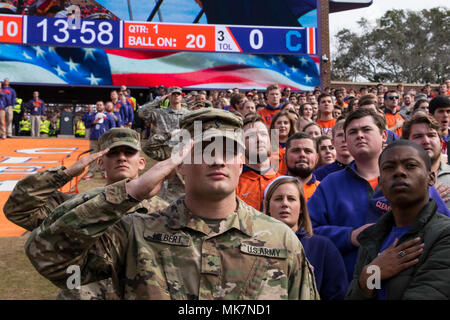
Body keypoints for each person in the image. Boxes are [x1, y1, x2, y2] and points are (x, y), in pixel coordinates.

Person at [24, 108, 320, 300]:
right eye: (204, 149)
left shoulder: (281, 239)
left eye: (229, 150)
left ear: (241, 163)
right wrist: (132, 191)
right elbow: (47, 254)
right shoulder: (135, 234)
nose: (218, 159)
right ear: (179, 165)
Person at [5, 127, 169, 299]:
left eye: (129, 153)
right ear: (100, 163)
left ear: (141, 163)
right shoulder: (73, 207)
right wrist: (65, 174)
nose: (121, 158)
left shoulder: (163, 213)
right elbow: (18, 209)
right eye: (113, 153)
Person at [307, 109, 450, 283]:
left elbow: (444, 233)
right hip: (350, 286)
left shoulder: (414, 180)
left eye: (366, 130)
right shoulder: (330, 184)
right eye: (352, 132)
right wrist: (349, 236)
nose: (359, 135)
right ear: (345, 140)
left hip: (413, 283)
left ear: (383, 136)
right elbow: (307, 231)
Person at [346, 140, 450, 300]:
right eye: (389, 167)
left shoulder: (444, 234)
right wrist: (371, 275)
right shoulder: (372, 237)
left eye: (410, 166)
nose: (399, 172)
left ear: (431, 177)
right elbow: (366, 292)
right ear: (380, 182)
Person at [263, 176, 348, 300]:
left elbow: (337, 294)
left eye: (291, 199)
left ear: (302, 207)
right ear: (268, 206)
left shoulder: (323, 247)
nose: (285, 204)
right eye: (278, 199)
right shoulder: (253, 246)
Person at [402, 112, 450, 208]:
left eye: (431, 135)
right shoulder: (396, 178)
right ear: (406, 143)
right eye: (418, 136)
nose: (426, 141)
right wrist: (421, 202)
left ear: (441, 143)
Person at [237, 114, 281, 211]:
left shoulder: (283, 182)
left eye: (263, 134)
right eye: (250, 136)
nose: (259, 139)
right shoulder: (233, 184)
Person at [82, 101, 116, 180]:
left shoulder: (108, 116)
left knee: (106, 156)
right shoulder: (93, 115)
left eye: (100, 105)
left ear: (103, 106)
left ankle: (106, 172)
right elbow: (86, 125)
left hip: (105, 139)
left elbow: (113, 126)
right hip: (94, 138)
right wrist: (93, 122)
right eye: (97, 105)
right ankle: (91, 172)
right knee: (93, 156)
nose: (99, 106)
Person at [285, 132, 320, 202]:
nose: (302, 154)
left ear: (316, 158)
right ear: (285, 157)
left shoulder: (325, 190)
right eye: (296, 151)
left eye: (308, 151)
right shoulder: (272, 188)